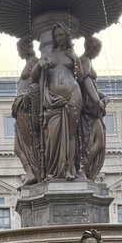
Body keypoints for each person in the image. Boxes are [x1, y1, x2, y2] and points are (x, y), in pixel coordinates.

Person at [38, 22, 83, 180]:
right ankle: (54, 170)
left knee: (71, 135)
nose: (59, 38)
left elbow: (81, 77)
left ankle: (69, 169)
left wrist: (76, 61)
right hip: (53, 100)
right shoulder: (49, 54)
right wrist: (41, 64)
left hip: (73, 97)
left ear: (67, 36)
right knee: (53, 135)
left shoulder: (73, 55)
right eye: (56, 35)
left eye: (61, 34)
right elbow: (36, 76)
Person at [12, 37, 42, 184]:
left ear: (26, 49)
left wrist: (29, 93)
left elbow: (41, 82)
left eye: (19, 51)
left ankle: (34, 172)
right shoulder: (31, 62)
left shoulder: (35, 61)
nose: (19, 54)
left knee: (29, 143)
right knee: (17, 148)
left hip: (27, 107)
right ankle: (30, 173)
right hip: (20, 109)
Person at [78, 36, 108, 180]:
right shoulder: (84, 60)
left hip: (92, 109)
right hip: (88, 109)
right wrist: (97, 101)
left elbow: (92, 86)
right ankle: (82, 167)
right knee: (97, 141)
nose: (98, 54)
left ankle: (84, 167)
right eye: (97, 50)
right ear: (91, 48)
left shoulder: (85, 60)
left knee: (96, 141)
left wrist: (102, 97)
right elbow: (85, 80)